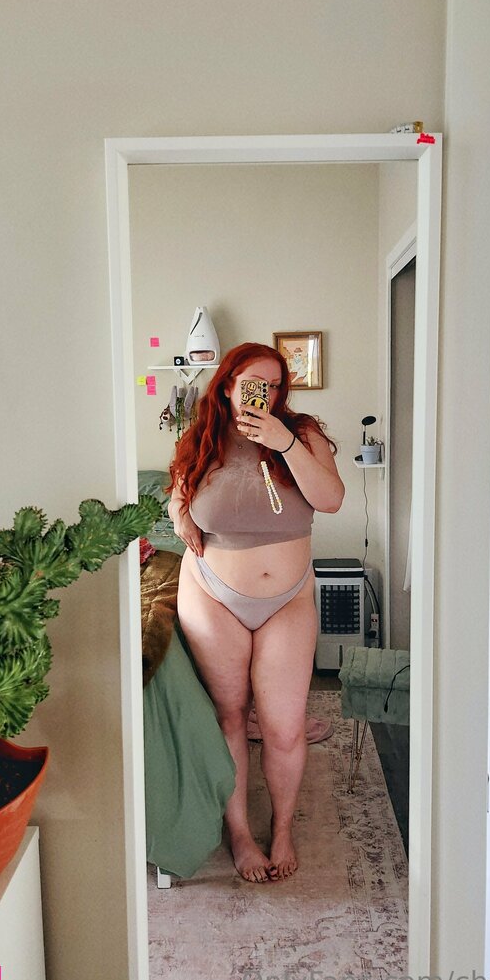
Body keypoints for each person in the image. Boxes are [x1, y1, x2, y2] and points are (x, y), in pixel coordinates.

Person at [167, 342, 345, 883]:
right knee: (231, 715)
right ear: (227, 385)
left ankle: (283, 828)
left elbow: (331, 499)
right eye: (252, 382)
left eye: (273, 385)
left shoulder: (302, 433)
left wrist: (283, 441)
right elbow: (177, 493)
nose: (262, 393)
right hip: (213, 593)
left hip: (287, 599)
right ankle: (241, 834)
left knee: (284, 726)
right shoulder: (201, 436)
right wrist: (180, 517)